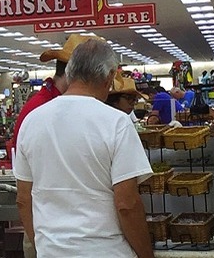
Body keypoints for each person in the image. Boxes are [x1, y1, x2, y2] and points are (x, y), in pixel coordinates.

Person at [14, 39, 154, 258]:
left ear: (69, 72)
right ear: (109, 77)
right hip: (105, 251)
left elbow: (23, 199)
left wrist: (44, 247)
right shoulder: (116, 123)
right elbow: (127, 204)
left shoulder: (32, 121)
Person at [10, 33, 92, 258]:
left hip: (65, 224)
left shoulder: (49, 105)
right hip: (46, 225)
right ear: (74, 73)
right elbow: (25, 186)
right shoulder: (40, 109)